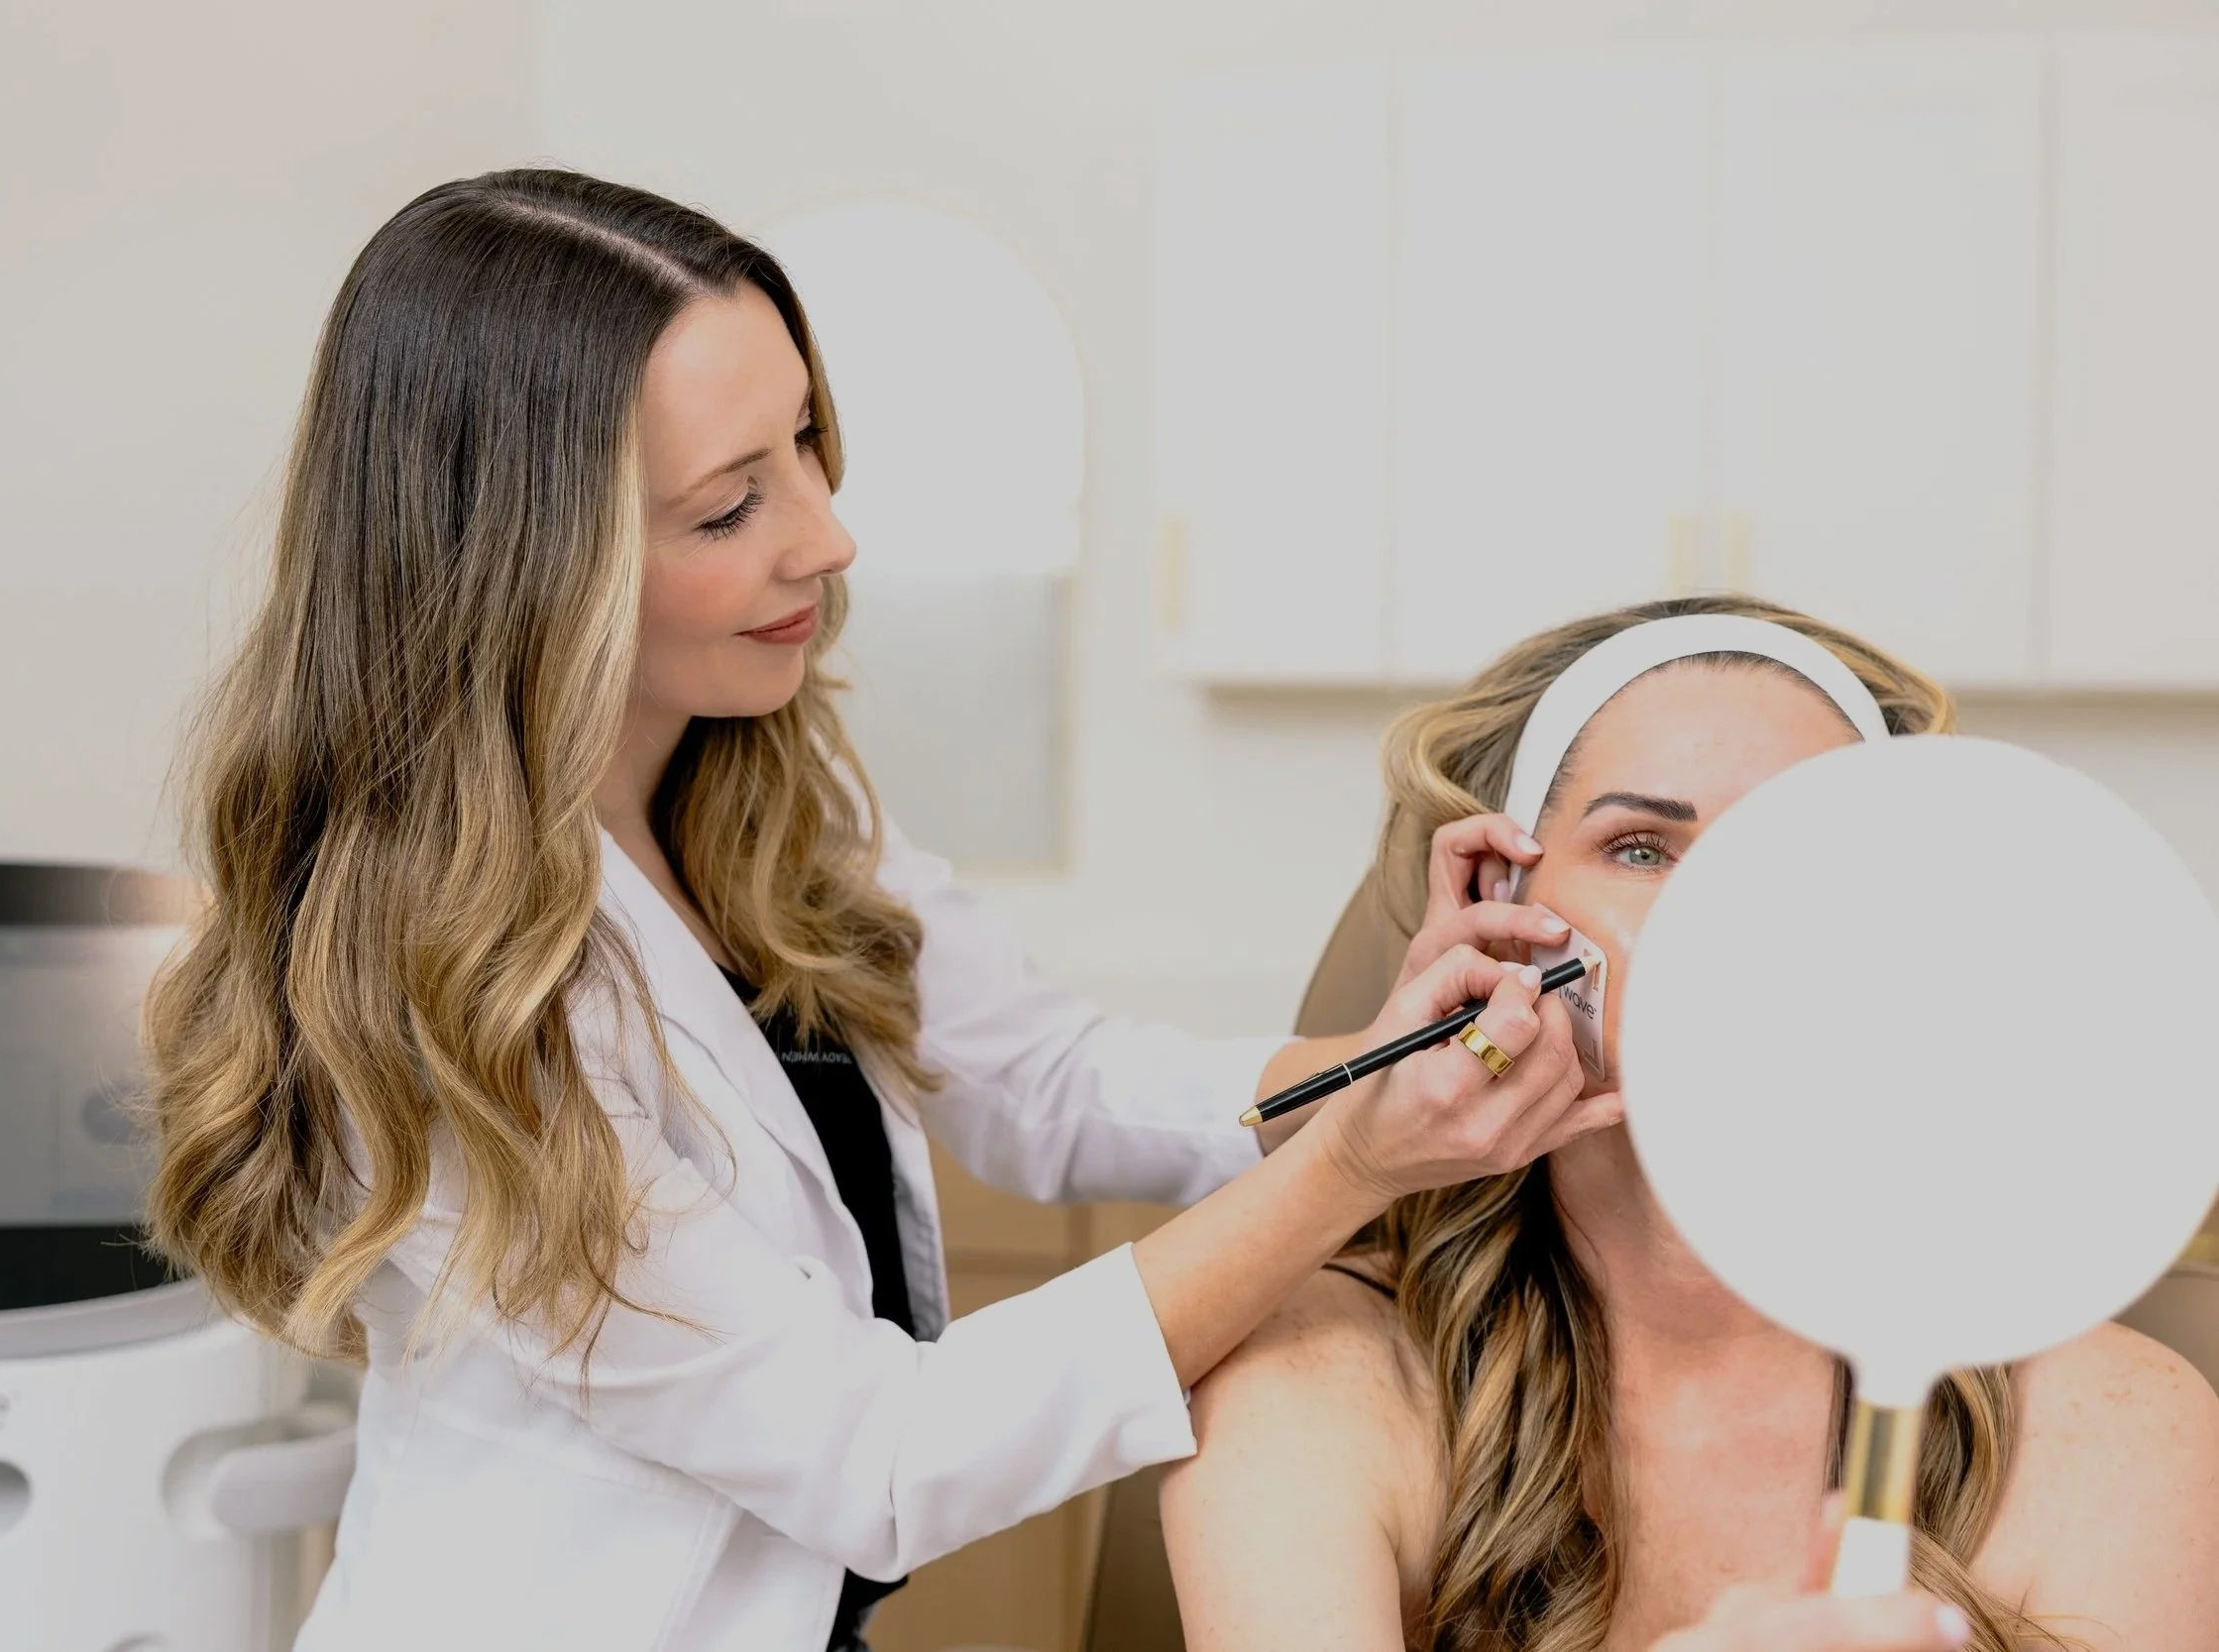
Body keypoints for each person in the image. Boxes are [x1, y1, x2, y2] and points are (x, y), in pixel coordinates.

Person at [140, 168, 1613, 1652]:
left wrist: (1378, 1052)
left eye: (806, 445)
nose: (827, 538)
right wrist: (1356, 1161)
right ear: (524, 570)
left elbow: (1046, 1077)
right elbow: (880, 1457)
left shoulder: (766, 789)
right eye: (731, 504)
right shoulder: (434, 980)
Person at [1160, 595, 2219, 1652]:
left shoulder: (2123, 1430)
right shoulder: (1317, 1386)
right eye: (1640, 847)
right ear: (1501, 902)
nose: (1731, 902)